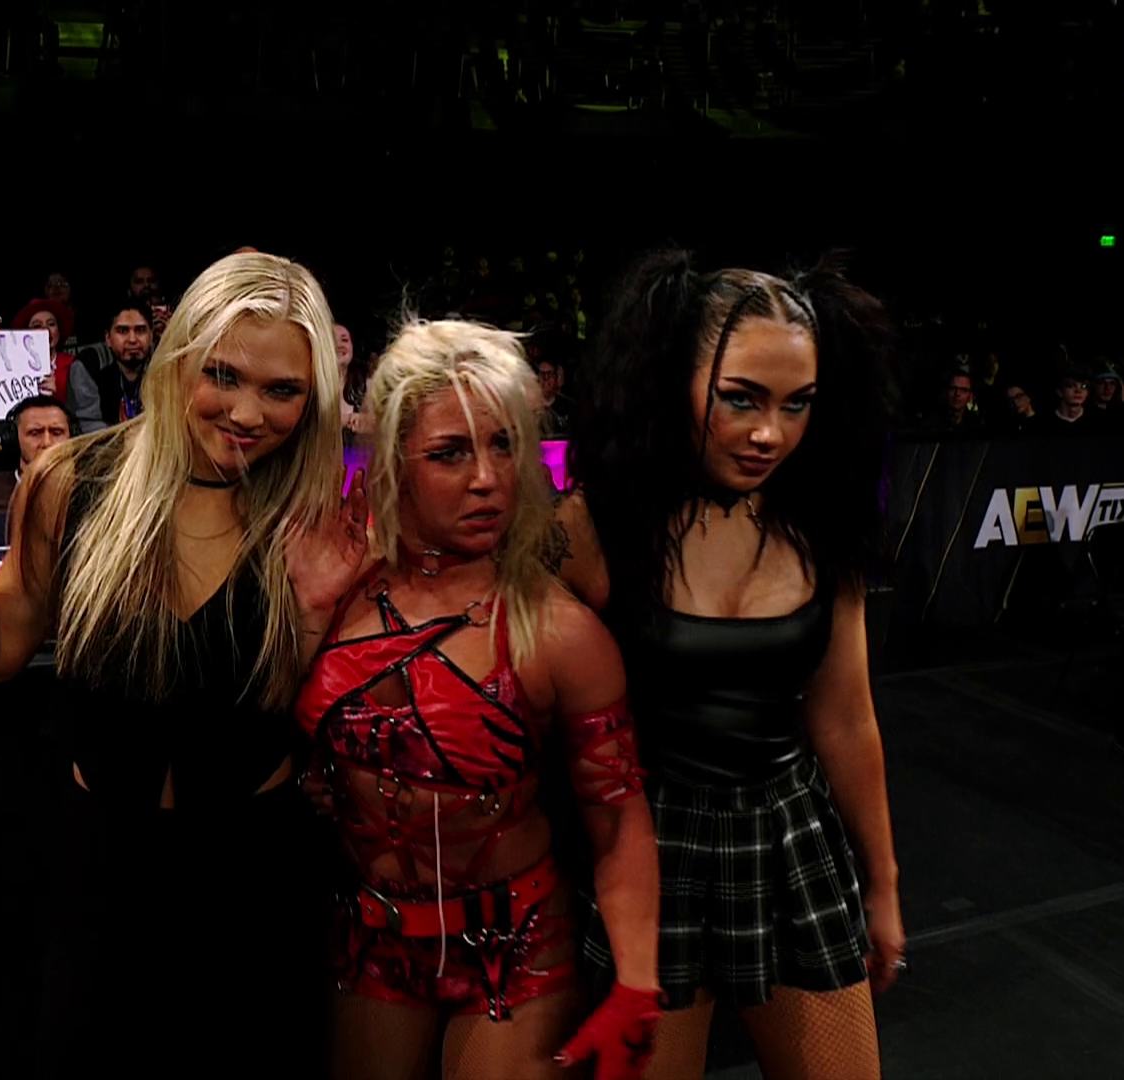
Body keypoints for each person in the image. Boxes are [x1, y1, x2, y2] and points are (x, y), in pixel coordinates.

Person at [0, 251, 361, 1075]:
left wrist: (316, 616)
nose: (247, 413)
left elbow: (291, 704)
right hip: (101, 864)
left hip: (253, 872)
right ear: (179, 357)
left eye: (282, 390)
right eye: (223, 374)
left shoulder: (307, 514)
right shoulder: (72, 481)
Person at [554, 250, 905, 1078]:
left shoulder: (821, 526)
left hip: (790, 835)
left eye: (796, 403)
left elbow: (846, 718)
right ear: (674, 381)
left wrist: (885, 884)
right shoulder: (595, 529)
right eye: (741, 397)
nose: (768, 433)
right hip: (651, 850)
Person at [297, 319, 663, 1080]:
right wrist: (308, 613)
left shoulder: (558, 631)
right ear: (395, 459)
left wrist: (635, 979)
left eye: (503, 446)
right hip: (370, 939)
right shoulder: (335, 586)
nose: (488, 478)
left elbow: (619, 817)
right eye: (451, 452)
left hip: (516, 949)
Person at [0, 395, 74, 517]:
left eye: (57, 433)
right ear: (15, 438)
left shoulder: (87, 491)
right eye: (35, 433)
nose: (46, 443)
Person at [67, 300, 156, 433]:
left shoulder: (165, 361)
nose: (132, 339)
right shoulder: (89, 364)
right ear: (108, 338)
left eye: (140, 330)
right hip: (104, 443)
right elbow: (90, 426)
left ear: (151, 336)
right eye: (123, 331)